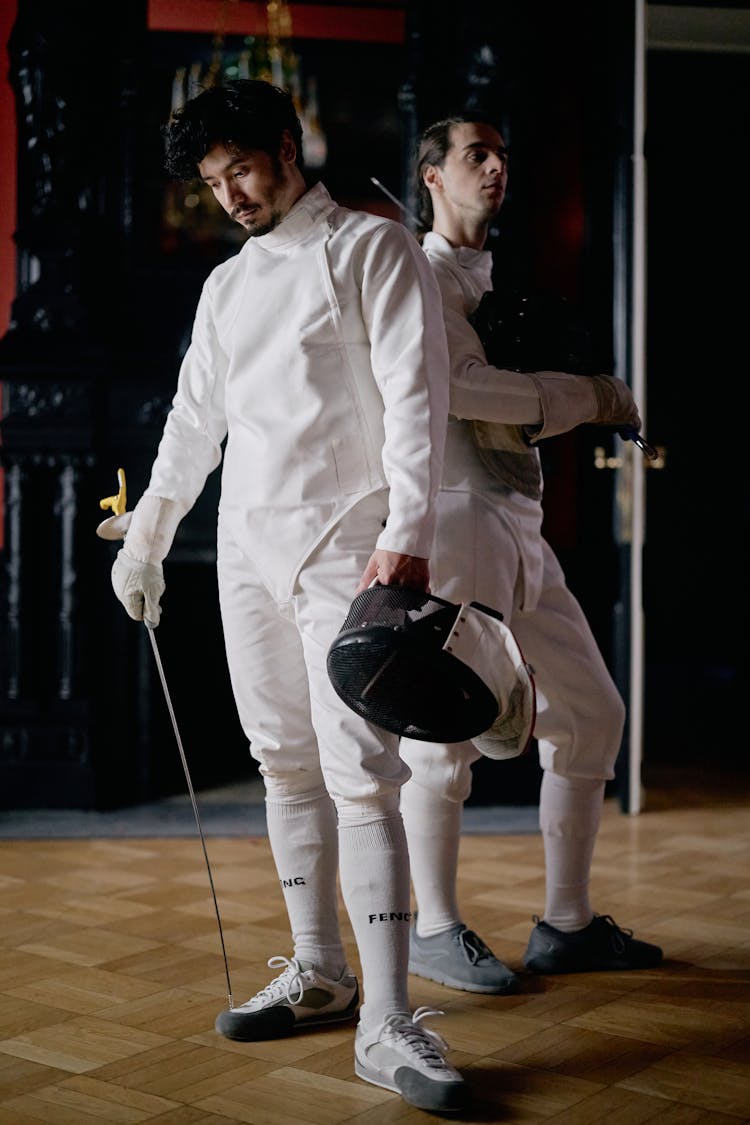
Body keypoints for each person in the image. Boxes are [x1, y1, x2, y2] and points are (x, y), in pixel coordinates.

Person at [109, 80, 470, 1114]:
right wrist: (149, 536)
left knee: (363, 773)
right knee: (281, 758)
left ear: (286, 144)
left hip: (350, 544)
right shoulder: (226, 287)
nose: (231, 196)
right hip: (248, 548)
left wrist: (408, 536)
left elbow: (418, 396)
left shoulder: (370, 248)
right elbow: (193, 419)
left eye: (243, 172)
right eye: (214, 184)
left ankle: (390, 1019)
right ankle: (321, 969)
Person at [396, 113, 663, 995]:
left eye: (503, 152)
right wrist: (594, 395)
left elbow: (507, 392)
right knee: (443, 736)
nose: (497, 166)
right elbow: (469, 392)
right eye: (477, 154)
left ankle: (568, 924)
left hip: (518, 520)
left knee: (591, 712)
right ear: (431, 175)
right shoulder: (414, 275)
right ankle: (433, 930)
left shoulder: (499, 282)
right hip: (456, 518)